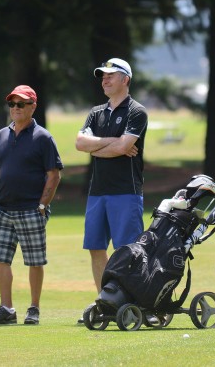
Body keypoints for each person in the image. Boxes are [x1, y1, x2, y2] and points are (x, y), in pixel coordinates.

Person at [0, 85, 63, 325]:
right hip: (1, 209)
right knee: (0, 259)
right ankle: (6, 308)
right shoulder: (0, 136)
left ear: (33, 107)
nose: (15, 108)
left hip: (31, 209)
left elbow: (54, 174)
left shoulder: (43, 138)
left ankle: (34, 308)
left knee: (35, 261)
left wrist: (42, 204)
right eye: (12, 104)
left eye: (21, 104)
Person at [74, 58, 148, 294]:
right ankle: (105, 300)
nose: (104, 79)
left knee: (127, 250)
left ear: (125, 79)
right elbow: (80, 143)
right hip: (97, 192)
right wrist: (114, 144)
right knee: (96, 248)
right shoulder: (96, 113)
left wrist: (96, 148)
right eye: (102, 76)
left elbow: (121, 147)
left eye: (110, 75)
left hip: (126, 191)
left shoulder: (137, 112)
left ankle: (129, 300)